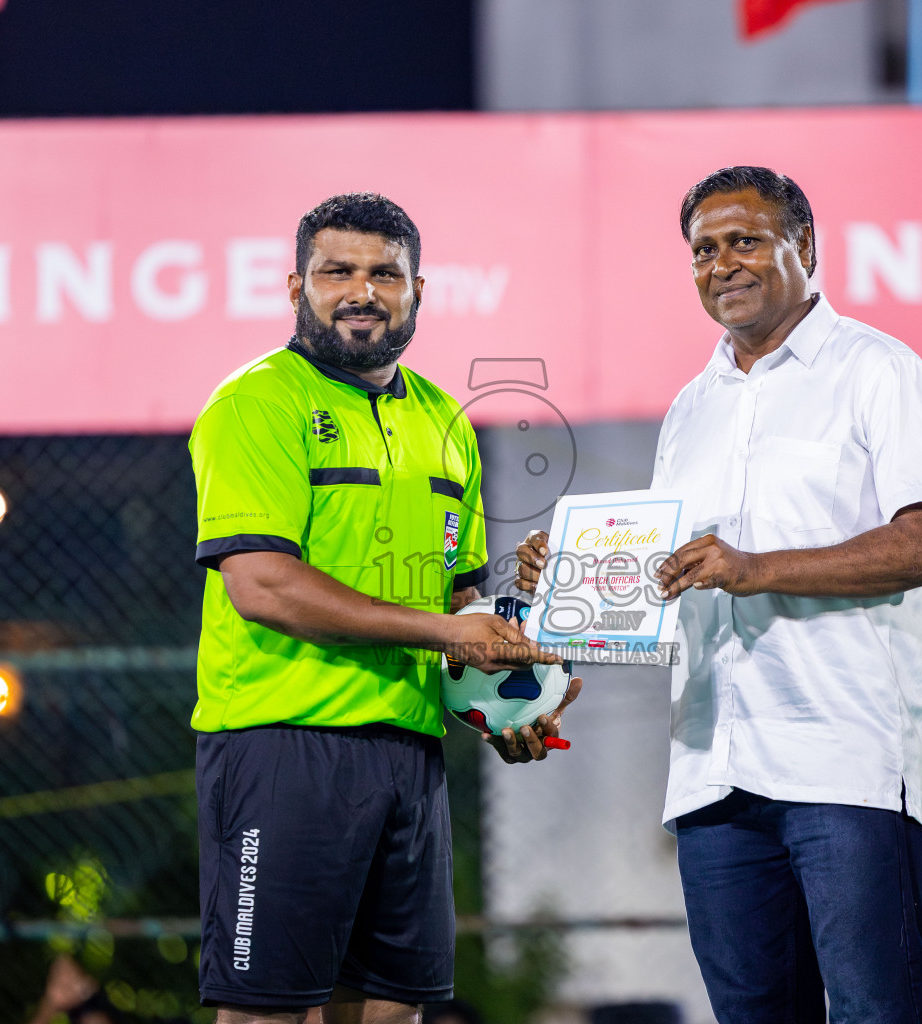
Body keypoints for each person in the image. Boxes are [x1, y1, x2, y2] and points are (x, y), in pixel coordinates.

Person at [517, 166, 922, 1023]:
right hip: (711, 772)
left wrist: (754, 567)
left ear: (805, 247)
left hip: (842, 761)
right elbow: (664, 580)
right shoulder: (691, 408)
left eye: (745, 240)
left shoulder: (880, 371)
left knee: (880, 1011)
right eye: (703, 250)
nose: (722, 263)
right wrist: (568, 581)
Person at [190, 193, 580, 1024]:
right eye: (337, 271)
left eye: (384, 273)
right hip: (283, 743)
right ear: (295, 286)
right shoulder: (254, 404)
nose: (361, 290)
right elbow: (260, 584)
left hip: (409, 756)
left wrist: (510, 700)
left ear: (419, 291)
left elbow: (459, 605)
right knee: (266, 1012)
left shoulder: (446, 420)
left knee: (392, 1011)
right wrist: (451, 629)